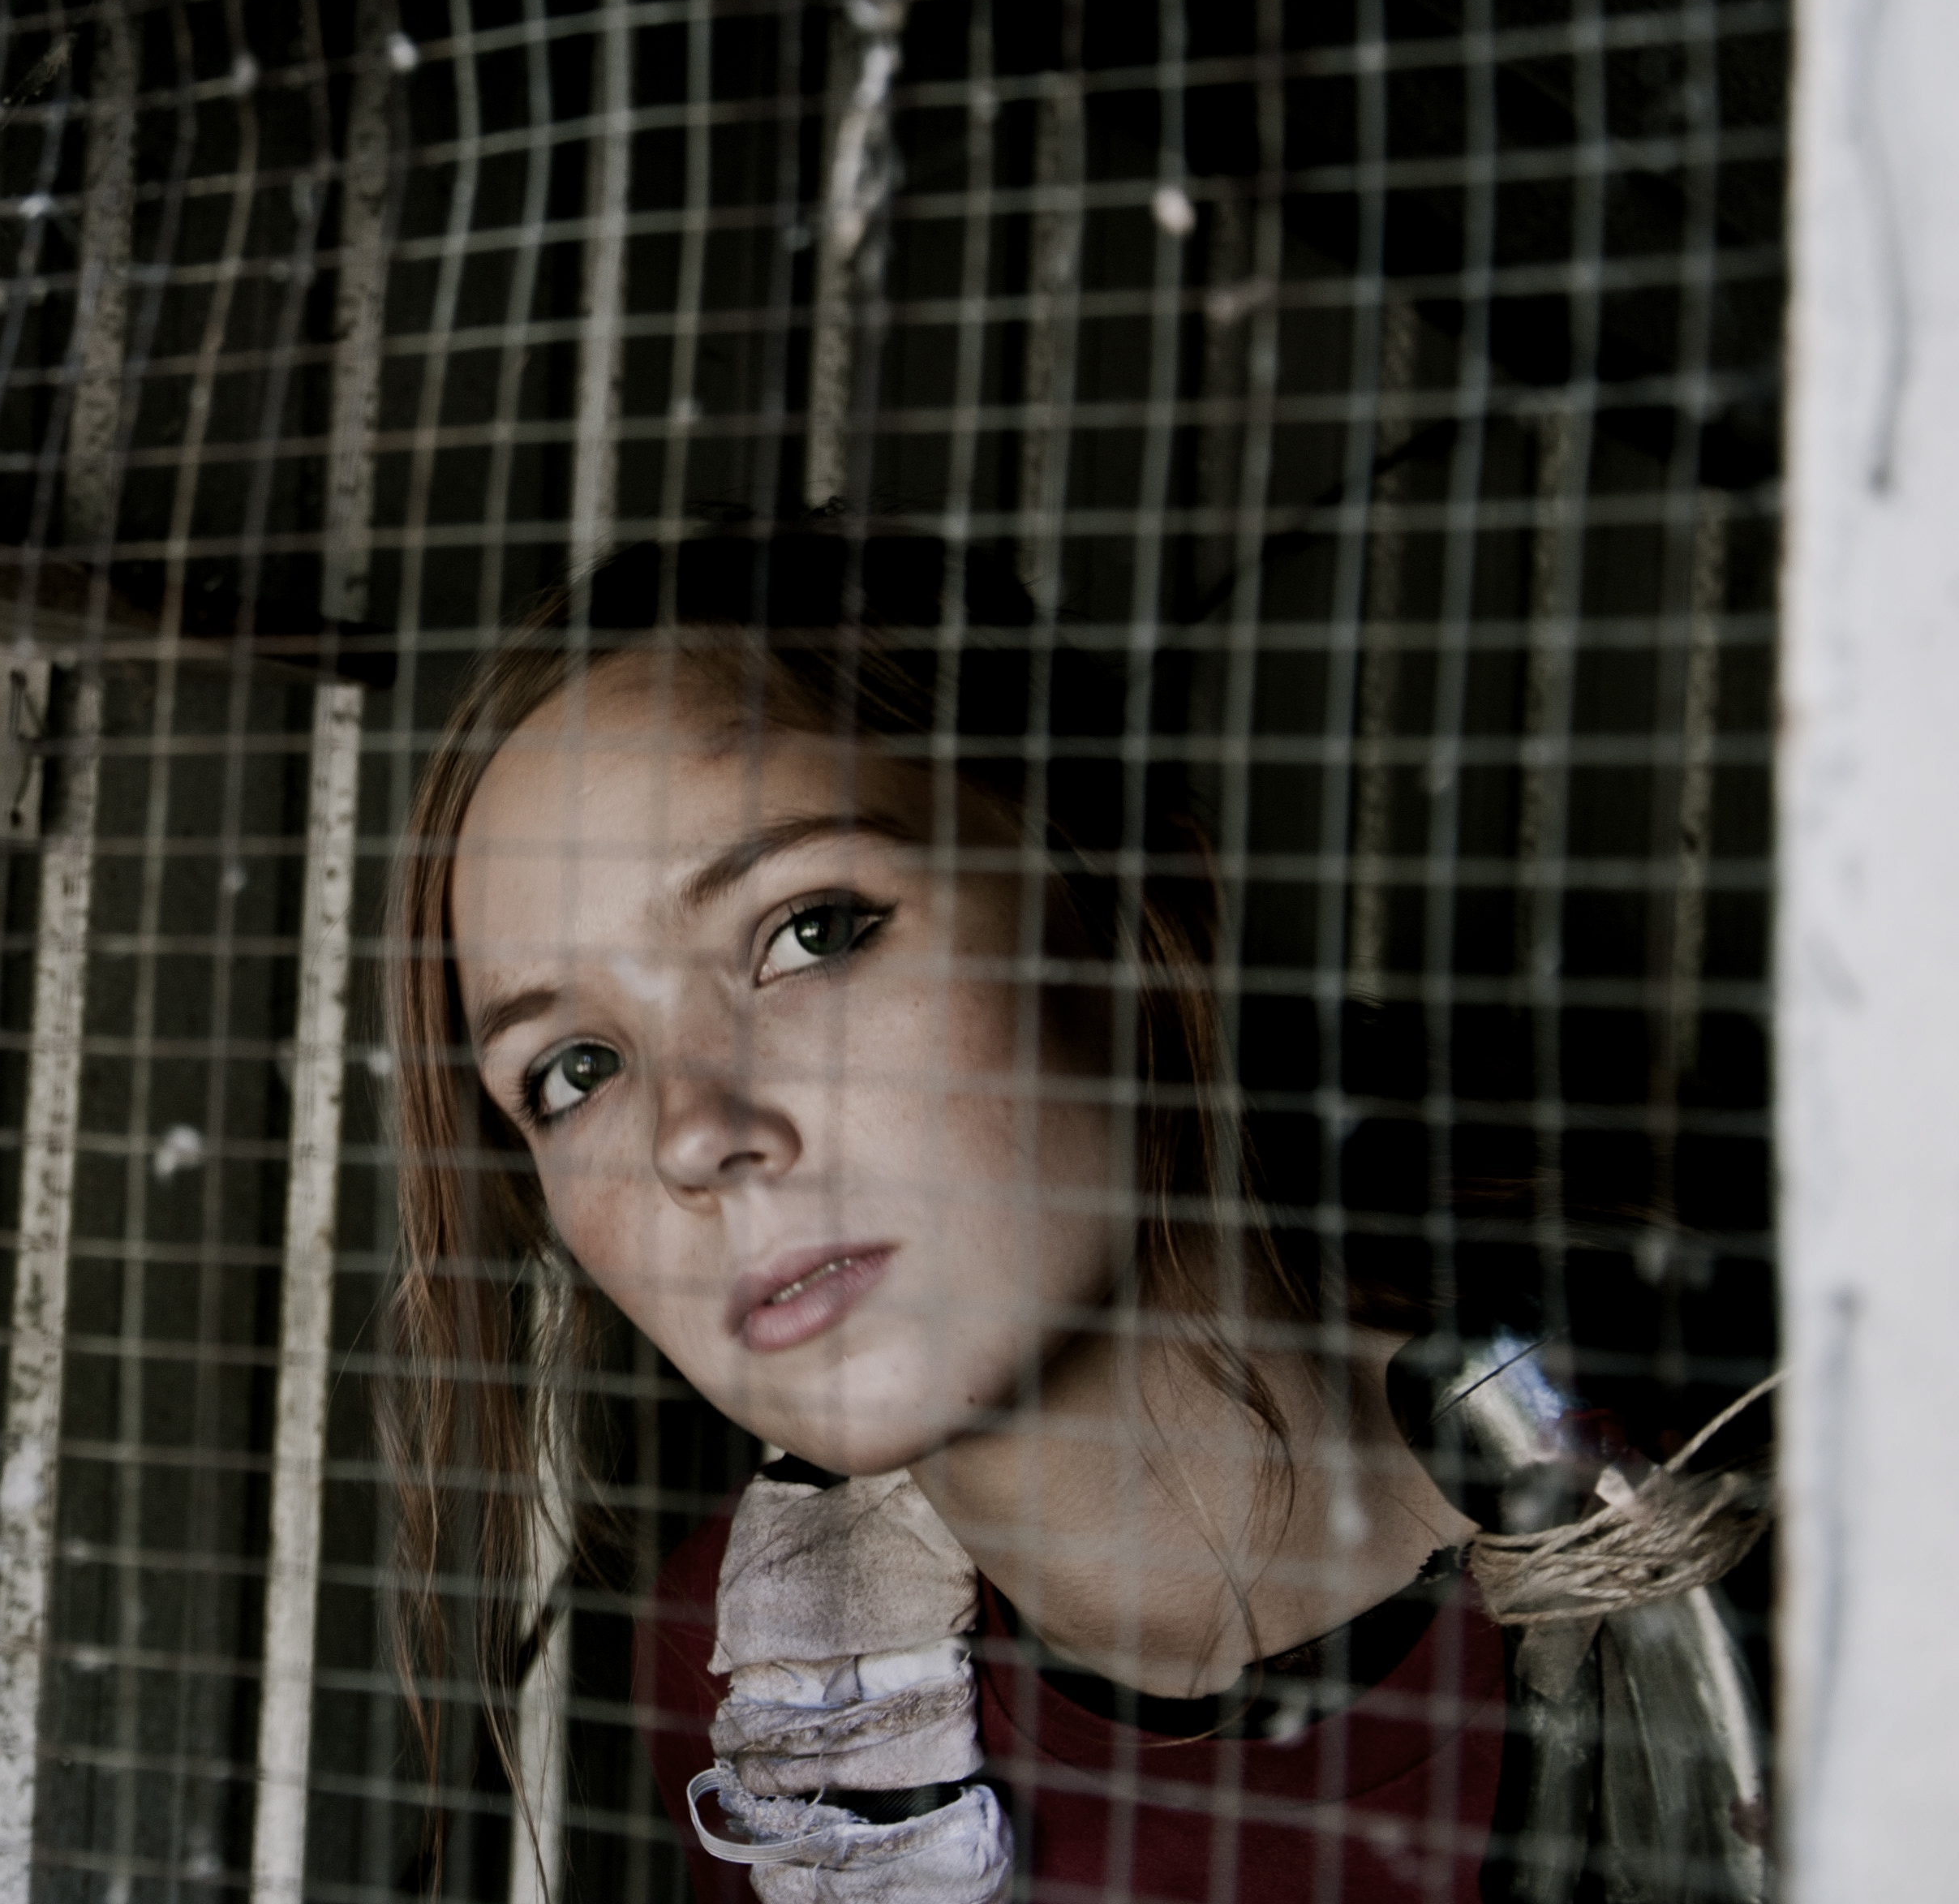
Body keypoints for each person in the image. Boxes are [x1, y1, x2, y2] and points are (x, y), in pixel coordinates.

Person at [379, 527, 1769, 1904]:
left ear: (1135, 901)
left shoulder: (1738, 1511)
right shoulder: (772, 1691)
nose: (692, 1134)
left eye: (811, 931)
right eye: (576, 1070)